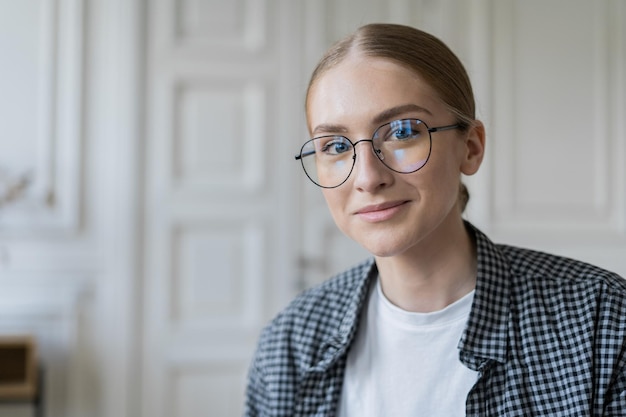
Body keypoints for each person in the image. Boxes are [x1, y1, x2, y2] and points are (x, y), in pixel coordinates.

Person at [244, 23, 626, 416]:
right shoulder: (288, 344)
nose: (368, 178)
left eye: (402, 132)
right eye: (336, 146)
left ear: (471, 148)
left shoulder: (601, 321)